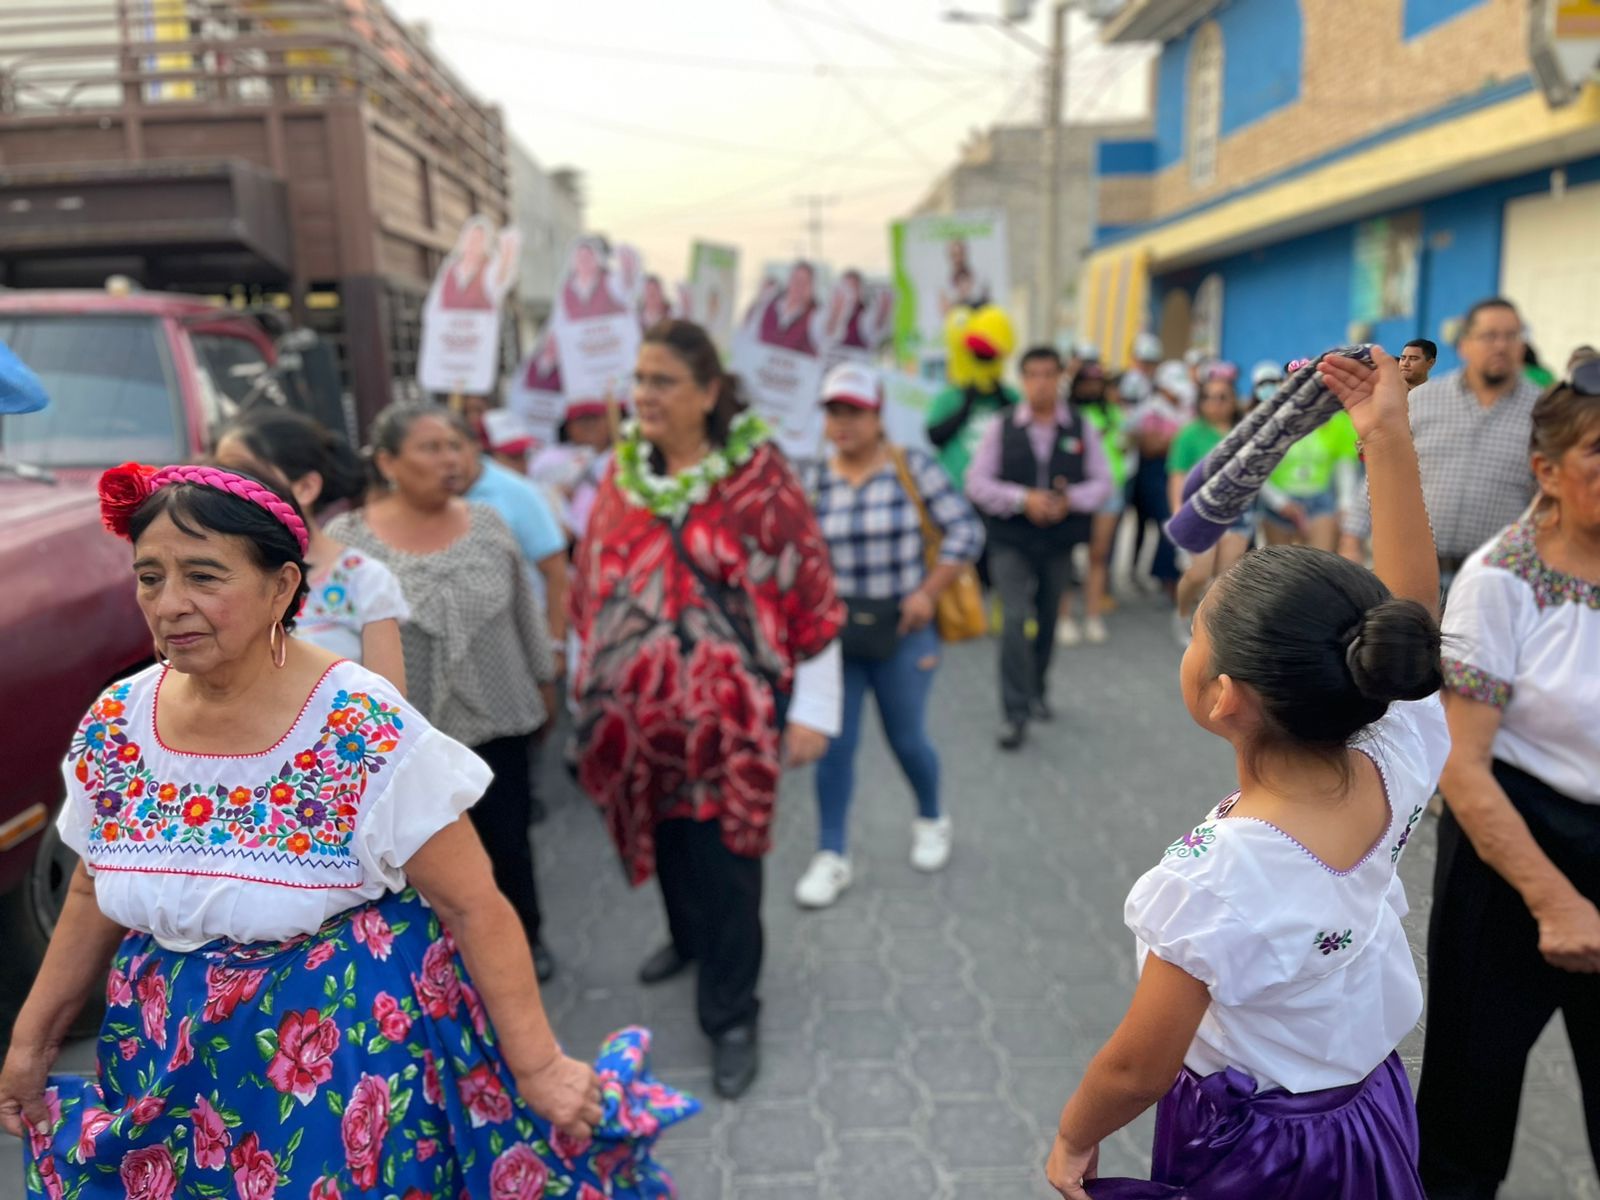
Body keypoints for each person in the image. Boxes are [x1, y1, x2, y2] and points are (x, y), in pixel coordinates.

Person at [0, 462, 695, 1196]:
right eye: (149, 577)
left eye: (204, 576)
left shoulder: (356, 726)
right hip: (164, 1063)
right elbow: (89, 888)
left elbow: (472, 904)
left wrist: (540, 1066)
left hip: (334, 1068)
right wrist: (31, 1043)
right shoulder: (119, 722)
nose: (169, 604)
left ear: (282, 588)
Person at [1043, 346, 1448, 1199]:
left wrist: (1075, 1137)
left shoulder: (1212, 882)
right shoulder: (1400, 738)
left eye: (1198, 632)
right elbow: (1412, 608)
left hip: (1259, 1147)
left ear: (1225, 696)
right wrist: (1384, 435)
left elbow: (1135, 1068)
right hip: (1370, 1107)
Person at [571, 319, 843, 1099]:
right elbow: (597, 579)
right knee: (666, 836)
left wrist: (813, 711)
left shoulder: (759, 477)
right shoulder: (624, 475)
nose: (643, 395)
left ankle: (731, 1013)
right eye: (639, 379)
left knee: (728, 862)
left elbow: (809, 588)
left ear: (710, 392)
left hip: (732, 718)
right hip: (639, 712)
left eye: (663, 381)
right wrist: (585, 679)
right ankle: (686, 941)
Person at [1416, 363, 1600, 1197]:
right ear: (1548, 472)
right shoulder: (1500, 582)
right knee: (1468, 1107)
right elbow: (1460, 765)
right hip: (1512, 851)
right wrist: (1554, 900)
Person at [327, 404, 561, 982]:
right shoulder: (349, 540)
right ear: (387, 462)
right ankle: (439, 964)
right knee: (424, 858)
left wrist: (545, 675)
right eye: (432, 448)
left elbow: (522, 609)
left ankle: (525, 940)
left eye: (456, 445)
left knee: (508, 840)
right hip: (406, 737)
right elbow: (329, 636)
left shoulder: (487, 522)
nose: (451, 459)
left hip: (499, 715)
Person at [794, 363, 984, 909]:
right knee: (835, 744)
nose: (843, 422)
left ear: (878, 414)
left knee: (906, 737)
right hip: (836, 638)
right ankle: (831, 855)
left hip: (905, 632)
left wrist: (928, 591)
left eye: (854, 410)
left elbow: (966, 530)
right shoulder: (814, 477)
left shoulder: (910, 467)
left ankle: (931, 818)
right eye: (834, 411)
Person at [1343, 297, 1543, 599]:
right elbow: (1383, 466)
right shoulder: (1422, 400)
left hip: (1498, 579)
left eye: (1511, 336)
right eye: (1489, 336)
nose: (1501, 345)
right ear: (1464, 344)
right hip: (1412, 570)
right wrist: (1351, 538)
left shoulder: (1544, 413)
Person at [967, 346, 1112, 750]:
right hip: (1010, 539)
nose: (1041, 383)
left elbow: (1103, 482)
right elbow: (976, 481)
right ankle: (1014, 713)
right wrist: (1022, 499)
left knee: (1049, 617)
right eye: (1033, 374)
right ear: (1023, 379)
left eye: (1049, 374)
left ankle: (1037, 688)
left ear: (1059, 379)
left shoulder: (1079, 425)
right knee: (1014, 619)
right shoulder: (1003, 425)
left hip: (1058, 539)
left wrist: (1070, 501)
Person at [215, 408, 409, 689]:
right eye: (220, 473)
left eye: (244, 474)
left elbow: (390, 712)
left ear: (306, 486)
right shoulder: (212, 575)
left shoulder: (365, 580)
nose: (227, 488)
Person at [455, 415, 570, 646]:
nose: (447, 459)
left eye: (455, 447)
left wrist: (556, 643)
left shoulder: (520, 492)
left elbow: (556, 571)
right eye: (513, 456)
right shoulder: (429, 497)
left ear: (476, 448)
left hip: (519, 638)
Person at [1167, 368, 1254, 643]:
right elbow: (1177, 476)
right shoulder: (1189, 435)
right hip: (1199, 513)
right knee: (1198, 573)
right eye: (1208, 397)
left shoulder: (1245, 432)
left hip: (1237, 513)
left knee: (1224, 579)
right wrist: (1178, 514)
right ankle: (1182, 613)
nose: (1215, 404)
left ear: (1233, 400)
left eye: (1222, 397)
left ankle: (1208, 629)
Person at [1061, 363, 1128, 645]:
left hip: (1109, 490)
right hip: (1076, 490)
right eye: (1086, 381)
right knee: (1066, 553)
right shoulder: (1067, 415)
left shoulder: (1113, 412)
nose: (1092, 386)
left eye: (1098, 382)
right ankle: (1063, 617)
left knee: (1098, 555)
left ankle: (1092, 615)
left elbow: (1123, 445)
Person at [1259, 402, 1359, 553]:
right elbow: (1259, 469)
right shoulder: (1275, 420)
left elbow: (1344, 467)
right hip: (1278, 504)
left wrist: (1345, 505)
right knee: (1280, 569)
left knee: (1319, 564)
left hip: (1319, 500)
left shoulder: (1339, 421)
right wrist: (1280, 503)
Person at [1128, 361, 1191, 596]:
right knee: (1166, 519)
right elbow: (1150, 446)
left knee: (1172, 520)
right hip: (1153, 473)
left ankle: (1167, 575)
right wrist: (1180, 441)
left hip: (1176, 472)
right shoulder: (1152, 409)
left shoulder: (1185, 408)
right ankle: (1162, 576)